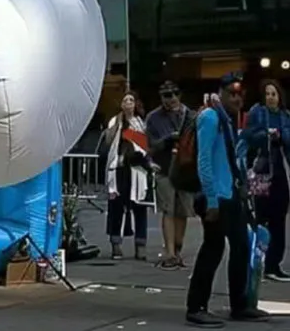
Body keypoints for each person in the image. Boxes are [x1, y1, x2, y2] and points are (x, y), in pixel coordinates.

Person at [186, 73, 269, 327]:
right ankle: (196, 307)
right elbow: (204, 161)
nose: (236, 98)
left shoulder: (228, 119)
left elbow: (230, 159)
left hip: (230, 195)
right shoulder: (211, 117)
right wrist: (211, 199)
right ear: (221, 93)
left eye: (239, 94)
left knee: (241, 246)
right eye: (231, 93)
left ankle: (240, 304)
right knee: (213, 249)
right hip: (216, 197)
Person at [238, 79, 290, 282]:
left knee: (279, 218)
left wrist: (280, 136)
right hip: (260, 171)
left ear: (279, 96)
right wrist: (266, 135)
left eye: (274, 94)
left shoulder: (285, 116)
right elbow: (248, 135)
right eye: (267, 93)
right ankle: (255, 262)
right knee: (259, 217)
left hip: (280, 171)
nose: (270, 97)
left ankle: (274, 264)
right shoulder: (257, 112)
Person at [146, 80, 196, 269]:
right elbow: (149, 146)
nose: (172, 98)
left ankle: (178, 249)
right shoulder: (153, 118)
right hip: (164, 167)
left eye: (175, 93)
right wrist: (167, 140)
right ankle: (169, 252)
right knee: (169, 210)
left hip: (185, 169)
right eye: (167, 95)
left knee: (183, 211)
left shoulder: (189, 115)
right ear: (161, 98)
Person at [105, 91, 151, 261]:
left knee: (139, 206)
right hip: (118, 168)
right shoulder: (115, 121)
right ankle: (115, 244)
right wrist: (119, 128)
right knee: (116, 207)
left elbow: (145, 144)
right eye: (125, 100)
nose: (129, 103)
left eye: (132, 100)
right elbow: (109, 142)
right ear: (121, 104)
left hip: (137, 169)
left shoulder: (140, 122)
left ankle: (141, 245)